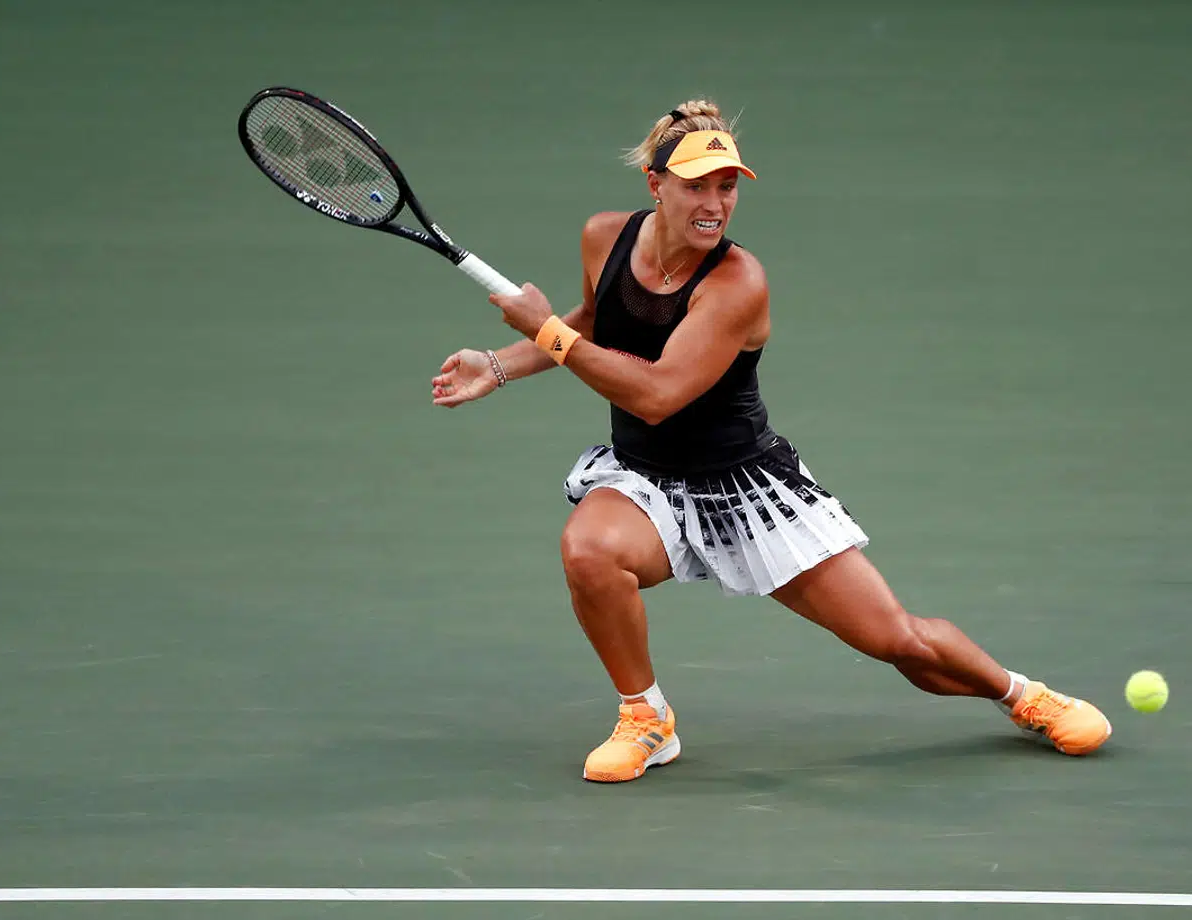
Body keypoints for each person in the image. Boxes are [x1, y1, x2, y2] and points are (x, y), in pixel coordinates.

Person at [431, 100, 1111, 783]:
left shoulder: (737, 283)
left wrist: (546, 330)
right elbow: (596, 324)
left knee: (899, 642)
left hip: (745, 486)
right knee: (588, 551)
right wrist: (499, 364)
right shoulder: (604, 237)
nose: (715, 203)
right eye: (696, 185)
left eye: (726, 186)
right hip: (644, 479)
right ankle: (646, 718)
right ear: (655, 185)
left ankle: (1022, 696)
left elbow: (657, 395)